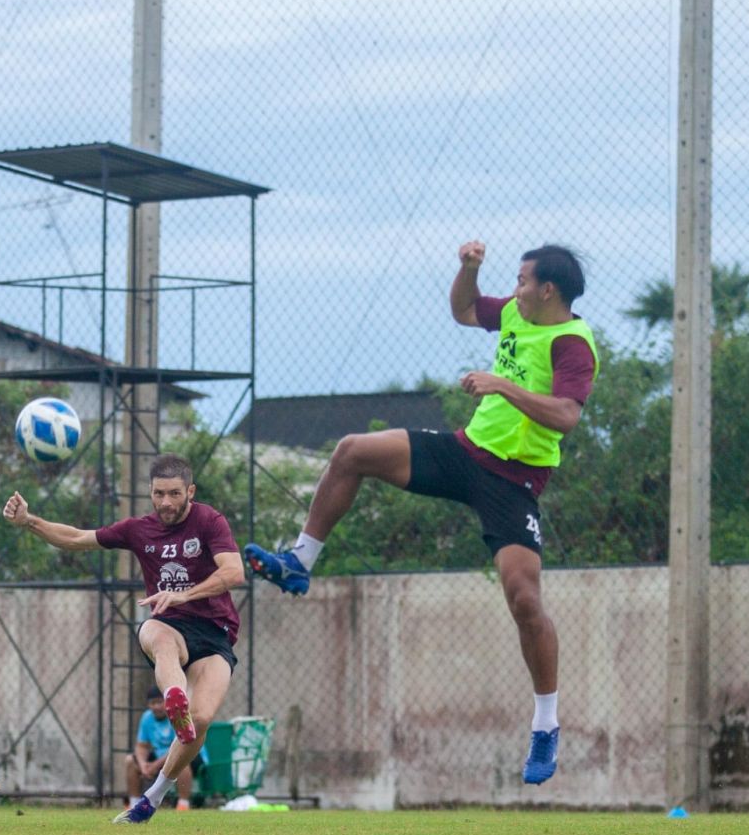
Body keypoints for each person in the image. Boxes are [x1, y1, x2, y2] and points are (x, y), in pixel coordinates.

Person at [244, 241, 598, 786]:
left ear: (548, 289)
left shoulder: (572, 343)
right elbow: (462, 308)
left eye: (523, 280)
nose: (516, 287)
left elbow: (566, 417)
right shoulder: (511, 311)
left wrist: (501, 384)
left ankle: (546, 725)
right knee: (352, 451)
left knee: (525, 599)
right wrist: (469, 270)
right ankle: (299, 560)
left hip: (514, 482)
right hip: (464, 453)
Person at [2, 453, 245, 824]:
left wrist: (184, 593)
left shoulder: (210, 521)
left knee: (203, 717)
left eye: (174, 494)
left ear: (190, 491)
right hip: (167, 623)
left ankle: (153, 797)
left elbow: (234, 572)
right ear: (150, 492)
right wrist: (28, 521)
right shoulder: (139, 529)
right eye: (158, 494)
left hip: (214, 632)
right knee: (159, 636)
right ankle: (173, 695)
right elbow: (77, 538)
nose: (166, 502)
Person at [126, 685, 208, 811]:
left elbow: (183, 745)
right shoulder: (147, 717)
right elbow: (141, 746)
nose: (156, 707)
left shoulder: (179, 715)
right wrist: (143, 765)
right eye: (152, 703)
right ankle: (134, 805)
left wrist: (155, 765)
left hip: (192, 754)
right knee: (130, 761)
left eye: (160, 702)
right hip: (160, 757)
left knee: (181, 761)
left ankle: (183, 805)